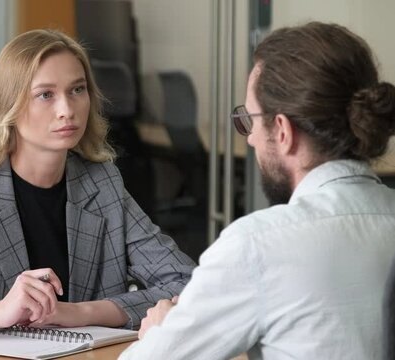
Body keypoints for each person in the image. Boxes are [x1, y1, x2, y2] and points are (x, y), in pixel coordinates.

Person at [0, 29, 195, 338]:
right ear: (9, 105)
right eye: (45, 95)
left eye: (77, 90)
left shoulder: (102, 181)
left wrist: (82, 312)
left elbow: (187, 284)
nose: (67, 110)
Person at [120, 22, 395, 359]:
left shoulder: (259, 245)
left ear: (282, 130)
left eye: (249, 120)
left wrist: (158, 333)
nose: (248, 137)